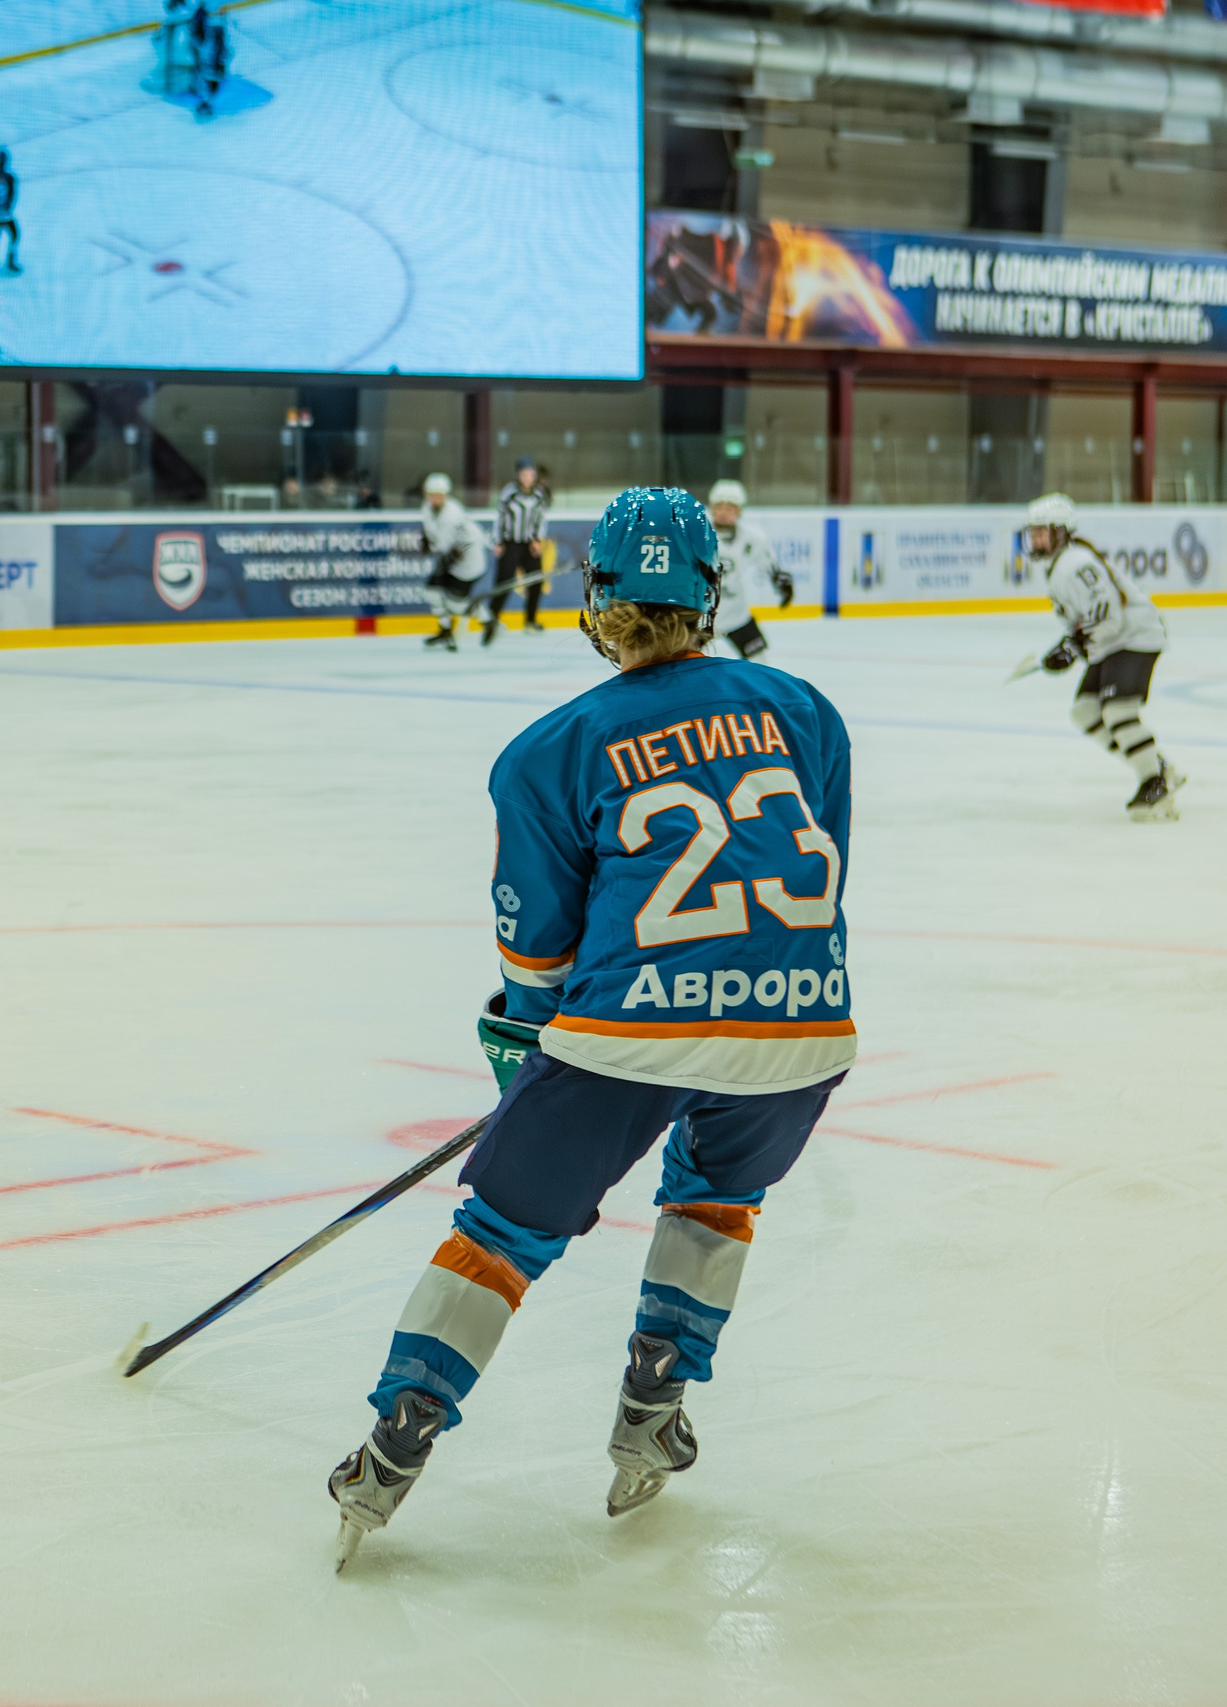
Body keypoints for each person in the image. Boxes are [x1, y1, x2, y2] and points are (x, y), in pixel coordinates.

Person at [329, 487, 856, 1568]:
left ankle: (397, 1438)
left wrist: (523, 1054)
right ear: (709, 594)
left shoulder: (548, 750)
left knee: (504, 1235)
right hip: (804, 1034)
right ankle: (653, 1407)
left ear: (595, 597)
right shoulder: (806, 711)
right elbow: (819, 871)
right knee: (715, 1196)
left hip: (623, 1034)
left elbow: (536, 965)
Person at [1026, 492, 1185, 822]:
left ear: (1061, 532)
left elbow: (1109, 618)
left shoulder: (1077, 564)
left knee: (1116, 711)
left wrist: (1074, 647)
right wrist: (1069, 644)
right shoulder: (1060, 566)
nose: (1036, 537)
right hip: (1116, 641)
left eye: (1043, 530)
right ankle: (1157, 765)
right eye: (1034, 531)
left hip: (1135, 637)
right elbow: (1087, 622)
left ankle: (1154, 783)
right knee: (1085, 711)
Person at [705, 480, 793, 660]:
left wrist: (782, 584)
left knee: (759, 663)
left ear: (739, 511)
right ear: (712, 508)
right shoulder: (698, 534)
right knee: (677, 664)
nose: (723, 513)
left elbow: (769, 565)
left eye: (729, 508)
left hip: (735, 614)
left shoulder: (752, 538)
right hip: (700, 616)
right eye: (719, 507)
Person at [483, 457, 550, 646]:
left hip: (529, 544)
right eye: (524, 474)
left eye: (531, 474)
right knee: (503, 583)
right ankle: (492, 620)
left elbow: (541, 519)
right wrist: (498, 542)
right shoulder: (509, 493)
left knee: (536, 582)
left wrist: (537, 539)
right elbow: (500, 519)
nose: (527, 478)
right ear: (518, 475)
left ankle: (530, 620)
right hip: (511, 543)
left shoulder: (539, 494)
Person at [418, 473, 484, 653]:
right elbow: (431, 531)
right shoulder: (427, 508)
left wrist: (448, 555)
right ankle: (446, 630)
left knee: (455, 603)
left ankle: (487, 620)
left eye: (439, 496)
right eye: (432, 495)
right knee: (432, 592)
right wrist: (426, 539)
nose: (435, 499)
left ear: (445, 495)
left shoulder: (453, 514)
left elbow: (463, 542)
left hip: (466, 561)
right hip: (451, 558)